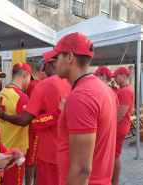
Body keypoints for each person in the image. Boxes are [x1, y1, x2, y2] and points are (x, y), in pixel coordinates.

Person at [42, 32, 118, 185]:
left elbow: (82, 170)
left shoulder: (81, 96)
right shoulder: (105, 90)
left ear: (69, 57)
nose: (55, 63)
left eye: (57, 57)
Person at [0, 60, 71, 185]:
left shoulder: (3, 92)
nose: (30, 82)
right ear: (25, 75)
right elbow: (31, 121)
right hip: (15, 151)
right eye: (29, 78)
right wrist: (57, 113)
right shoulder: (21, 98)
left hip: (3, 145)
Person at [24, 58, 47, 185]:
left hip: (37, 126)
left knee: (35, 159)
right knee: (32, 160)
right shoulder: (35, 85)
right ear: (43, 69)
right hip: (35, 127)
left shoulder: (36, 84)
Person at [112, 67, 135, 185]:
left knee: (114, 156)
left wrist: (109, 127)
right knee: (114, 156)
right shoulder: (124, 89)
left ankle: (114, 182)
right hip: (119, 127)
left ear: (123, 76)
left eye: (116, 77)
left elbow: (121, 113)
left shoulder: (126, 91)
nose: (114, 79)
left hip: (118, 128)